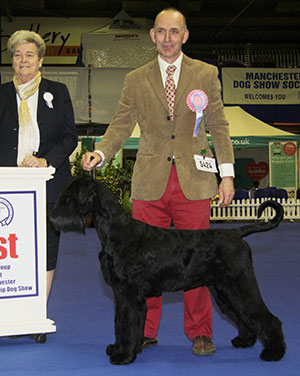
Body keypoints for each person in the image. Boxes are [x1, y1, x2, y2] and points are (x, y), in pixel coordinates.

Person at [82, 8, 235, 356]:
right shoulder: (135, 78)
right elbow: (121, 125)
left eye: (174, 32)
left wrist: (226, 174)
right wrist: (101, 154)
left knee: (198, 262)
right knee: (141, 266)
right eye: (161, 32)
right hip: (149, 184)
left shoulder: (207, 73)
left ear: (185, 35)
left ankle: (200, 333)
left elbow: (219, 126)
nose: (168, 38)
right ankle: (144, 332)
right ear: (152, 35)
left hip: (194, 183)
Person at [0, 30, 77, 340]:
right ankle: (6, 312)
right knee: (9, 249)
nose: (23, 60)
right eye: (17, 55)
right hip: (7, 188)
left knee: (46, 248)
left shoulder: (58, 92)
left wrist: (46, 161)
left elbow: (70, 137)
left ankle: (36, 314)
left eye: (29, 54)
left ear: (41, 60)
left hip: (49, 185)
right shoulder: (2, 94)